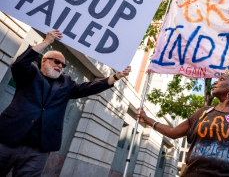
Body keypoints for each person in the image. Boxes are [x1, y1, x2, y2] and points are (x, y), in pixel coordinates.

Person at [0, 30, 131, 176]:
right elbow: (19, 63)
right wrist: (46, 42)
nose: (60, 66)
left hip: (39, 150)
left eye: (63, 65)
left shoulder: (66, 82)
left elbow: (88, 88)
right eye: (56, 61)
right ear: (44, 60)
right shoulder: (30, 72)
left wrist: (115, 77)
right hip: (7, 139)